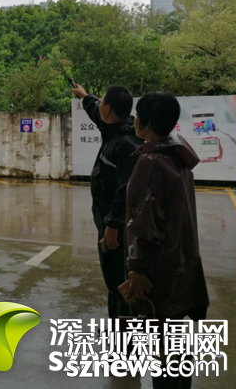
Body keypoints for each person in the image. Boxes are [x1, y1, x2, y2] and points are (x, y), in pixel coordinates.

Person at [125, 92, 209, 388]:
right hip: (180, 263)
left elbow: (146, 221)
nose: (134, 120)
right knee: (175, 341)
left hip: (158, 270)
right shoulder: (177, 154)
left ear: (147, 122)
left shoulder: (151, 161)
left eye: (138, 115)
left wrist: (138, 267)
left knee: (162, 348)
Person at [72, 83, 142, 320]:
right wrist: (84, 96)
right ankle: (117, 323)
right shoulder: (113, 128)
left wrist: (113, 224)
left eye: (102, 102)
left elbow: (126, 189)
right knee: (113, 279)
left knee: (118, 277)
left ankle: (125, 328)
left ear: (109, 109)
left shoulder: (126, 143)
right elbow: (95, 110)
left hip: (117, 228)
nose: (99, 104)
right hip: (106, 220)